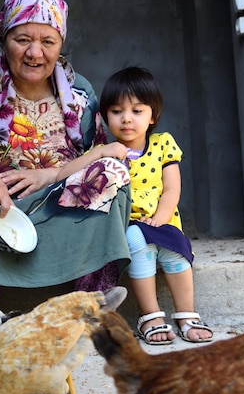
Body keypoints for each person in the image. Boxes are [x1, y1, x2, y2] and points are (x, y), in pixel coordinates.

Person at [0, 0, 131, 305]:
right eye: (22, 40)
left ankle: (90, 298)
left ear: (60, 44)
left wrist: (49, 175)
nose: (35, 53)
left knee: (111, 172)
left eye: (47, 42)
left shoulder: (80, 94)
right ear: (4, 39)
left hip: (59, 214)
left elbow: (99, 155)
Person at [91, 66, 213, 344]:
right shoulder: (106, 151)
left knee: (175, 249)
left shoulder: (162, 144)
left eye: (136, 111)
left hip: (163, 219)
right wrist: (100, 152)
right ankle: (152, 316)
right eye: (116, 111)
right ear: (105, 116)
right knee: (137, 241)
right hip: (129, 223)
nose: (126, 119)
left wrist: (161, 217)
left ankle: (186, 314)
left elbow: (171, 188)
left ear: (152, 115)